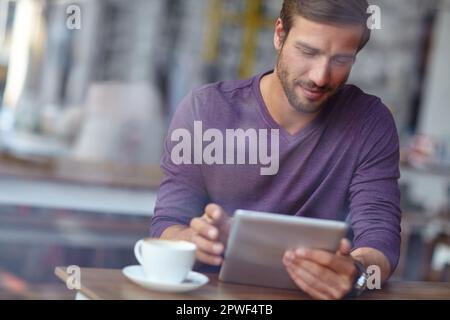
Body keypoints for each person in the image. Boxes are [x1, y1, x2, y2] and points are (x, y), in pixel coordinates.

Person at [150, 0, 401, 300]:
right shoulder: (205, 109)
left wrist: (358, 273)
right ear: (279, 34)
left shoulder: (369, 122)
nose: (320, 77)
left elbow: (379, 234)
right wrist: (192, 239)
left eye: (340, 60)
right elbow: (166, 224)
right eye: (308, 52)